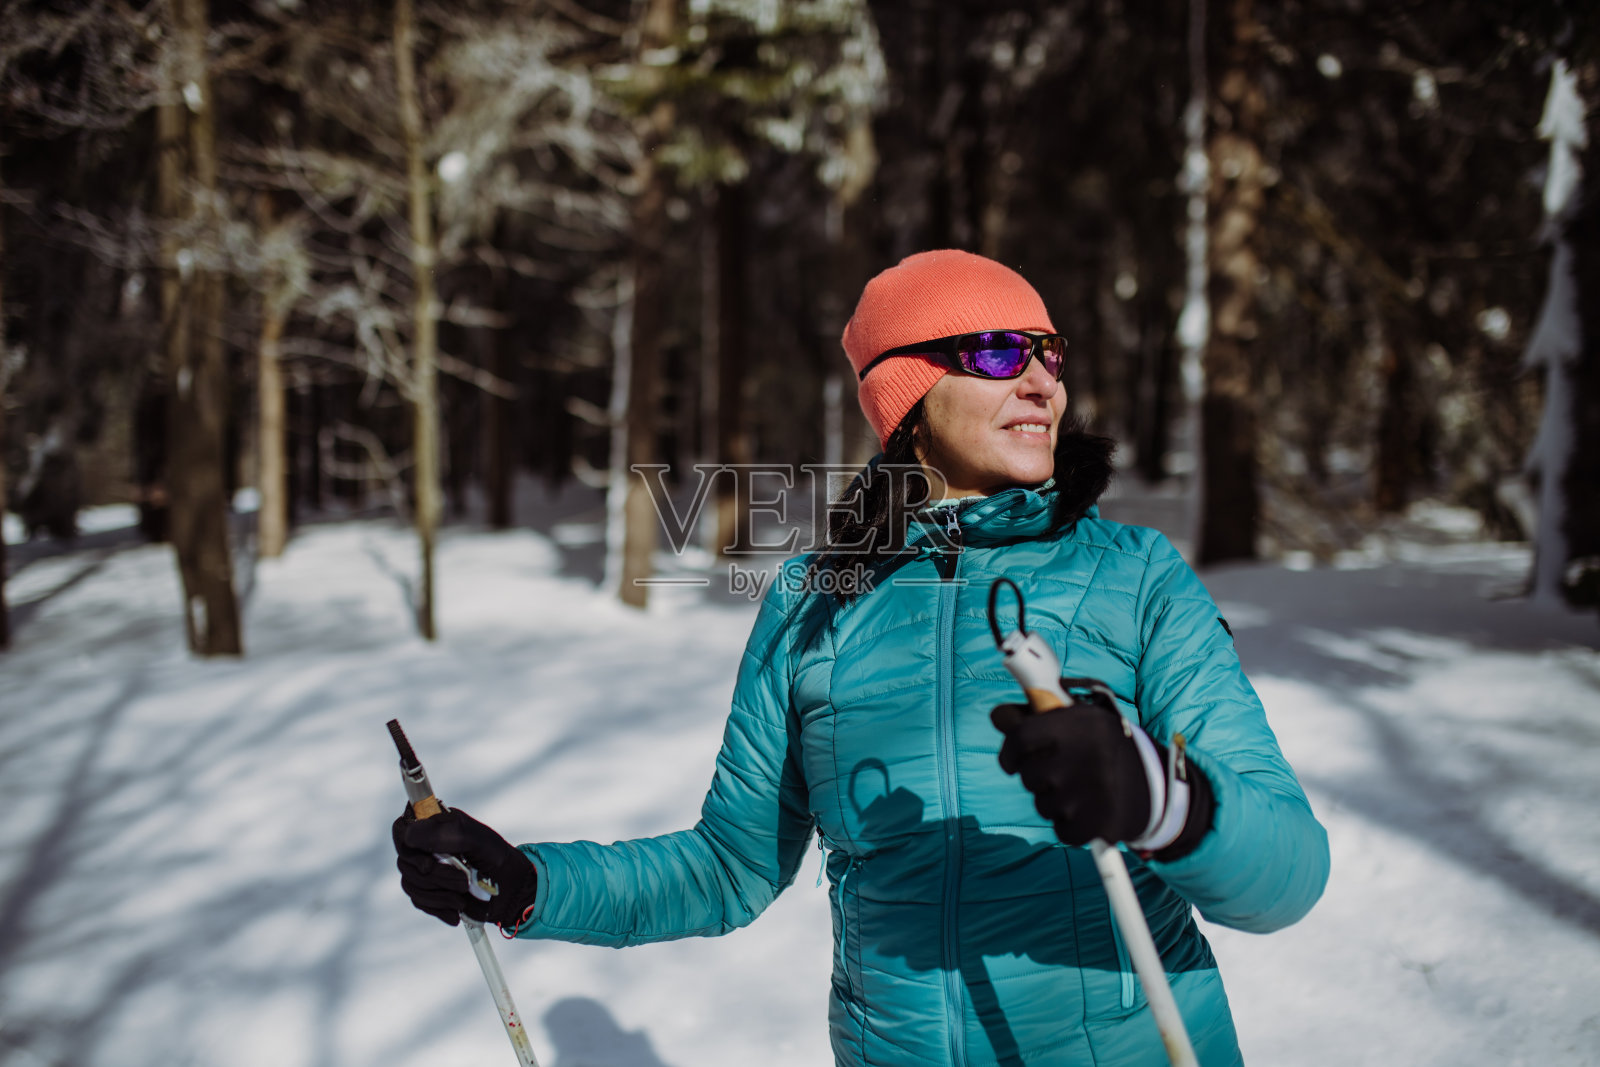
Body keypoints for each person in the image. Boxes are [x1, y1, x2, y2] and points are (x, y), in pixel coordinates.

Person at [394, 249, 1330, 1066]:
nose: (1042, 381)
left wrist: (1159, 797)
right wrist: (528, 885)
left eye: (1050, 353)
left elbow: (1286, 874)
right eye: (999, 353)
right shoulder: (814, 601)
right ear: (907, 397)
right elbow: (730, 866)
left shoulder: (1138, 578)